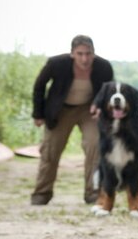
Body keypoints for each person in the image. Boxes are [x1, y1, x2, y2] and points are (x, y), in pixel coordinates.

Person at [30, 35, 114, 205]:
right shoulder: (56, 64)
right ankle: (42, 193)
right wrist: (38, 114)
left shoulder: (104, 67)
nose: (85, 59)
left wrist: (101, 108)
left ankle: (93, 192)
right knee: (50, 151)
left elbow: (108, 91)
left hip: (88, 109)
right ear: (72, 54)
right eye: (80, 54)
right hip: (61, 109)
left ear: (94, 54)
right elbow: (39, 86)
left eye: (88, 54)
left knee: (95, 145)